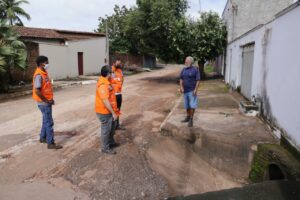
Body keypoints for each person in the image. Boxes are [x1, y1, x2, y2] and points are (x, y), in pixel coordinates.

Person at [32, 56, 62, 149]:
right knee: (49, 122)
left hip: (47, 101)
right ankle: (51, 143)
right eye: (46, 62)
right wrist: (46, 100)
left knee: (45, 120)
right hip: (43, 103)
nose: (47, 64)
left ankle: (43, 137)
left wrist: (50, 99)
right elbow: (37, 90)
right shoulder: (38, 75)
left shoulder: (44, 73)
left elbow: (46, 88)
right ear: (41, 64)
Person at [95, 65, 120, 155]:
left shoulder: (107, 81)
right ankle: (105, 148)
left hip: (109, 111)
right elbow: (105, 100)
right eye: (111, 72)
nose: (113, 74)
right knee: (106, 130)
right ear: (108, 74)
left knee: (112, 127)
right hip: (104, 112)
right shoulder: (103, 84)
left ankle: (111, 142)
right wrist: (113, 113)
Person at [179, 56, 200, 127]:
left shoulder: (195, 70)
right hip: (185, 91)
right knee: (187, 106)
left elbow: (198, 80)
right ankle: (188, 117)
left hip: (192, 91)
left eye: (186, 61)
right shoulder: (183, 70)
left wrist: (195, 89)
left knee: (192, 105)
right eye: (185, 61)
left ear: (190, 62)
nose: (185, 62)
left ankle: (191, 119)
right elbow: (181, 79)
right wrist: (181, 87)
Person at [111, 58, 125, 130]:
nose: (119, 64)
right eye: (117, 63)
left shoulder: (120, 71)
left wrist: (119, 87)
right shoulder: (111, 71)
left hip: (119, 94)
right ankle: (112, 126)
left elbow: (122, 79)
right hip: (113, 95)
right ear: (113, 63)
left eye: (120, 63)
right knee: (113, 110)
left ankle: (117, 125)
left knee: (118, 110)